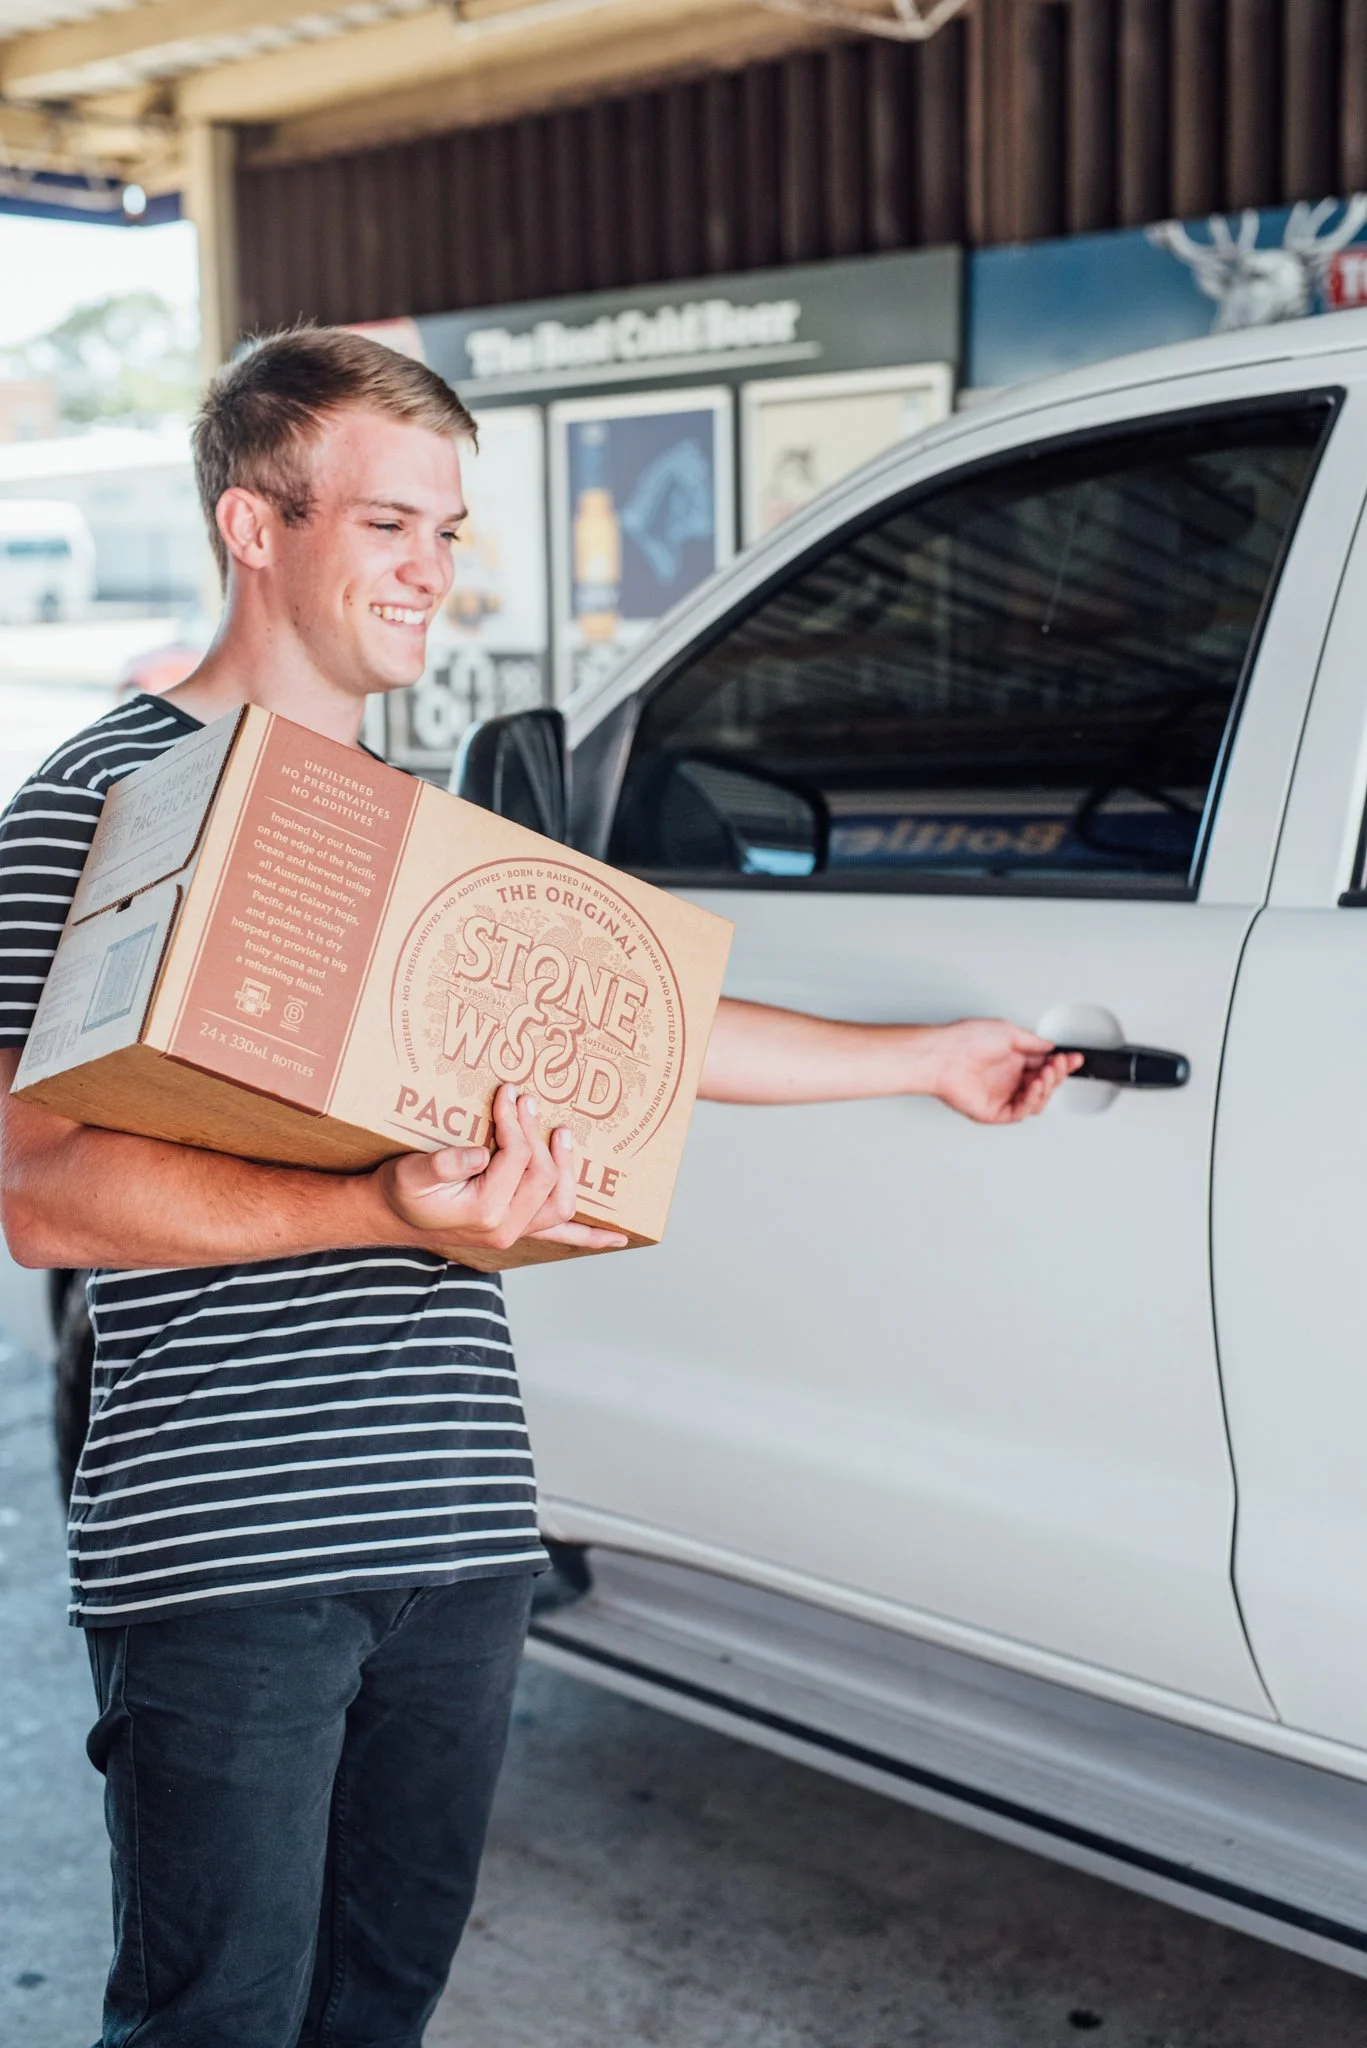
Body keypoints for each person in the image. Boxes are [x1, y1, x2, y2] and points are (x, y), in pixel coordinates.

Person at [0, 328, 1078, 2048]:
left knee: (380, 2014)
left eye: (447, 531)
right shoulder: (95, 801)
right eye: (387, 528)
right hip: (230, 1548)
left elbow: (639, 1034)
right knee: (216, 2024)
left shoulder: (414, 825)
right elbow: (40, 1194)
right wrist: (385, 1212)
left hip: (458, 1531)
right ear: (252, 527)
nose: (431, 573)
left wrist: (920, 1057)